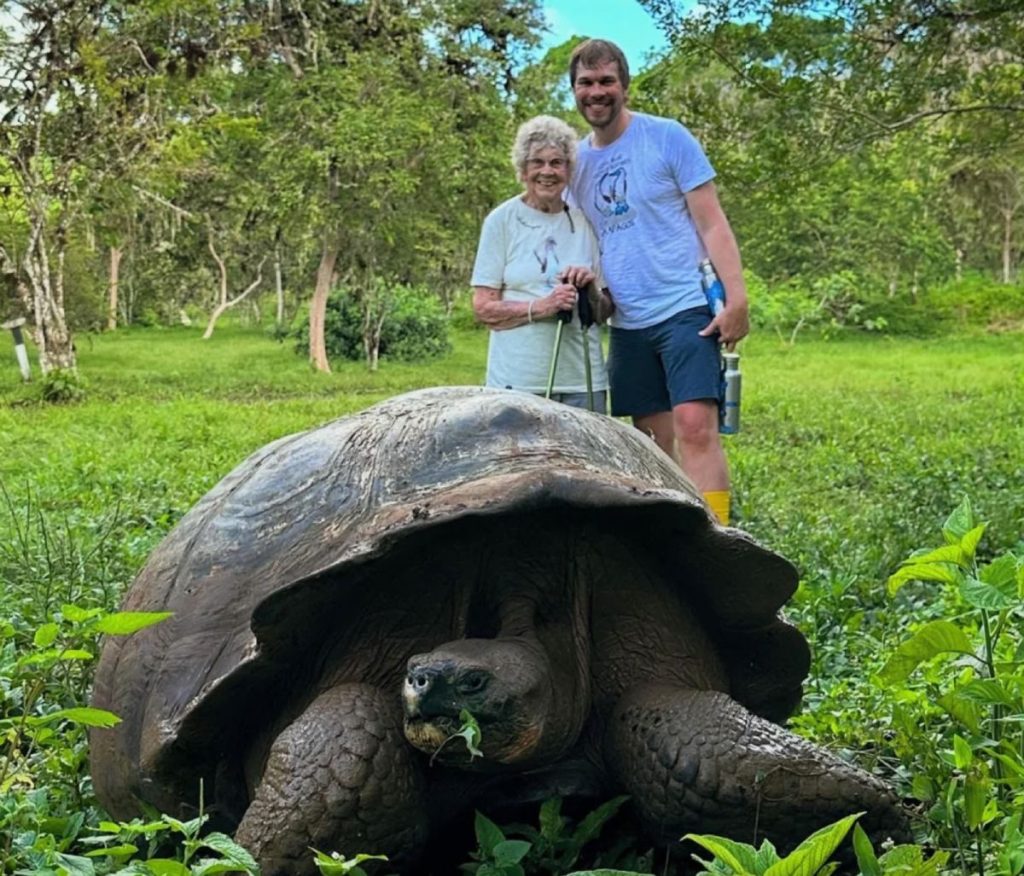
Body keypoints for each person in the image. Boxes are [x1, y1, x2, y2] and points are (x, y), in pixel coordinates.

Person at [567, 38, 750, 525]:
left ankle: (719, 536)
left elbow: (712, 221)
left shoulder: (667, 138)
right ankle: (673, 532)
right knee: (649, 440)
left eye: (606, 81)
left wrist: (737, 297)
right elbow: (579, 240)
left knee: (695, 426)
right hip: (626, 318)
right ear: (574, 92)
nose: (597, 92)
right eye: (586, 83)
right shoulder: (576, 165)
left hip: (685, 304)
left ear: (624, 86)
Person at [472, 114, 611, 412]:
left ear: (569, 170)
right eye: (537, 162)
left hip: (582, 381)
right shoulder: (502, 221)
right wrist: (544, 307)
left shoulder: (585, 221)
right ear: (523, 170)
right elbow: (484, 308)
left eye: (556, 162)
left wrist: (590, 290)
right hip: (517, 382)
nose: (547, 171)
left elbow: (604, 312)